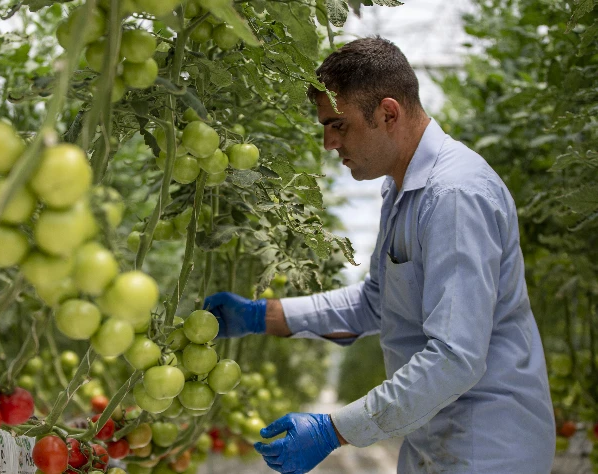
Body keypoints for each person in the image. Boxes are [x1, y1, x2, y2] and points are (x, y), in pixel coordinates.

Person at [204, 37, 555, 473]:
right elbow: (375, 302)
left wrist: (334, 429)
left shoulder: (455, 196)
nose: (329, 143)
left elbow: (455, 356)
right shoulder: (404, 190)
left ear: (388, 113)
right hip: (434, 438)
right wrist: (263, 315)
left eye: (339, 125)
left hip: (487, 448)